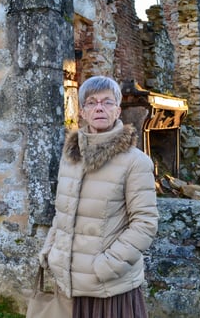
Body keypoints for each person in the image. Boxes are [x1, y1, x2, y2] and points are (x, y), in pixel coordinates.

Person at [38, 75, 159, 318]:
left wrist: (106, 266)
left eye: (107, 102)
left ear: (117, 110)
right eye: (92, 103)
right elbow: (62, 212)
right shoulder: (70, 158)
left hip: (109, 287)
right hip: (69, 282)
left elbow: (145, 224)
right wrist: (50, 250)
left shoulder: (136, 162)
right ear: (82, 111)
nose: (99, 108)